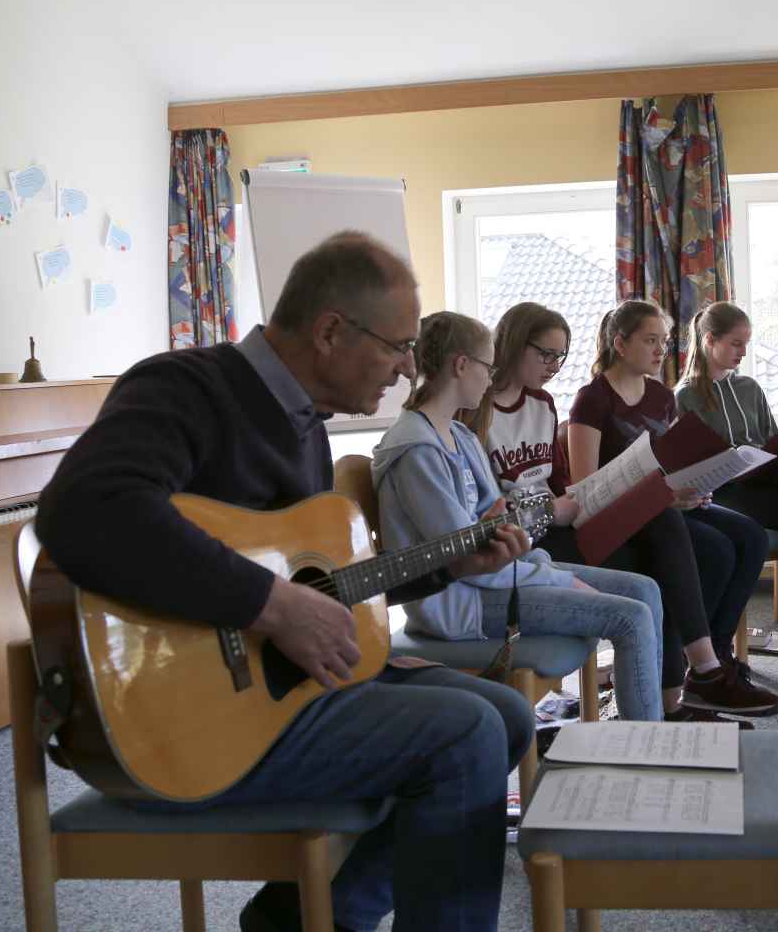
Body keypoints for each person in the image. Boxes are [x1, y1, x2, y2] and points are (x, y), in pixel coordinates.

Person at [37, 231, 537, 932]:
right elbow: (86, 507)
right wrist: (270, 605)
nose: (406, 369)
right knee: (467, 735)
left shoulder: (305, 424)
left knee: (508, 716)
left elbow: (323, 592)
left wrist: (449, 566)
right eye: (397, 347)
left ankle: (312, 915)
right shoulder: (186, 388)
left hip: (285, 693)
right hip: (186, 723)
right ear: (330, 332)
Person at [371, 310, 664, 721]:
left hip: (495, 580)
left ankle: (651, 723)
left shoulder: (459, 435)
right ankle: (646, 744)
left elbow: (500, 530)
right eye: (487, 368)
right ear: (461, 365)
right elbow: (466, 561)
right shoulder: (417, 451)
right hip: (460, 605)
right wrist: (557, 577)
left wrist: (544, 565)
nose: (490, 379)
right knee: (630, 616)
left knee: (644, 590)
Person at [568, 300, 778, 718]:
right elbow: (586, 491)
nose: (660, 350)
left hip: (661, 506)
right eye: (650, 341)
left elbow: (668, 462)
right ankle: (702, 671)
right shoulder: (592, 400)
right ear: (620, 344)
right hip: (617, 520)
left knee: (749, 536)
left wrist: (692, 484)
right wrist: (664, 495)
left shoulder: (662, 396)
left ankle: (714, 658)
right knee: (714, 550)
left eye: (664, 341)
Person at [674, 301, 778, 611]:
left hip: (767, 481)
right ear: (710, 339)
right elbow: (686, 464)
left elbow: (772, 440)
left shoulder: (750, 387)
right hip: (726, 492)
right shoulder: (685, 396)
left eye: (746, 344)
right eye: (736, 343)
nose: (743, 352)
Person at [466, 301, 638, 571]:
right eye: (546, 355)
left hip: (556, 521)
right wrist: (551, 512)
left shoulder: (543, 403)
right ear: (515, 344)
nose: (555, 367)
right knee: (629, 564)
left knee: (649, 536)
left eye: (560, 356)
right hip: (520, 536)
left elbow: (559, 476)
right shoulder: (476, 409)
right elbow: (483, 502)